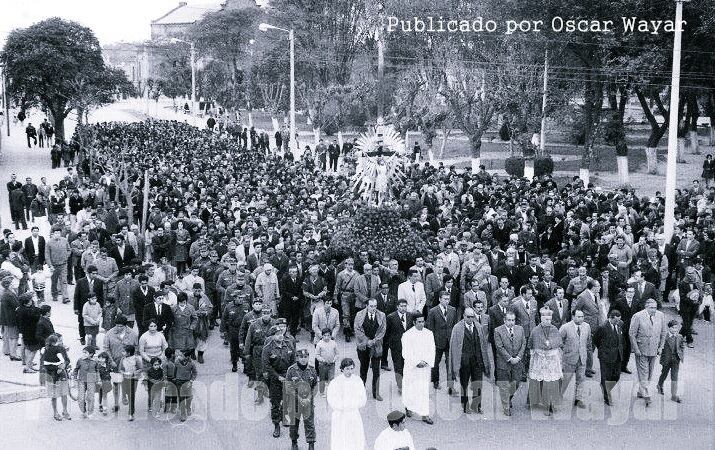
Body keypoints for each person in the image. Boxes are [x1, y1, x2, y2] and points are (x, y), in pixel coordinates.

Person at [449, 307, 492, 415]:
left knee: (478, 384)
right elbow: (454, 347)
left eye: (472, 316)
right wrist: (455, 364)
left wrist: (484, 360)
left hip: (477, 361)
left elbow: (483, 344)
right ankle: (465, 406)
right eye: (468, 317)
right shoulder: (457, 328)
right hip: (464, 362)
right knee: (464, 385)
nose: (470, 319)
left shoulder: (478, 326)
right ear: (463, 316)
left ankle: (476, 406)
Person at [629, 299, 667, 406]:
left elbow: (663, 332)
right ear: (646, 307)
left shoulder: (660, 315)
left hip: (654, 349)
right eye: (651, 308)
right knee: (643, 373)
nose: (654, 310)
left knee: (649, 373)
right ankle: (647, 395)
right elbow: (632, 333)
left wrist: (661, 347)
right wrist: (635, 349)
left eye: (655, 307)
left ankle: (641, 391)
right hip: (641, 349)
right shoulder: (638, 316)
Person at [262, 320, 295, 437]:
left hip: (287, 376)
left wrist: (290, 375)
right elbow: (266, 365)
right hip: (274, 378)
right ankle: (276, 425)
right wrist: (277, 377)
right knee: (275, 402)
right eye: (277, 334)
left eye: (281, 333)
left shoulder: (289, 344)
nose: (280, 336)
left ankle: (285, 417)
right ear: (272, 336)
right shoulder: (267, 348)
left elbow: (293, 361)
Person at [527, 308, 563, 416]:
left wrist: (550, 345)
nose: (548, 322)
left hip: (552, 360)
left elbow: (559, 342)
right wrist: (540, 349)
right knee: (539, 381)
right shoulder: (536, 330)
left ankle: (551, 403)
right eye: (546, 319)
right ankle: (538, 402)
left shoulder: (554, 329)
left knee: (552, 382)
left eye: (550, 319)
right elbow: (532, 344)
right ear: (542, 319)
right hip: (539, 359)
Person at [401, 315, 436, 424]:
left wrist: (426, 361)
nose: (422, 324)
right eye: (419, 322)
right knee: (411, 389)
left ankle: (425, 414)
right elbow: (406, 352)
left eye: (423, 321)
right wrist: (416, 362)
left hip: (424, 368)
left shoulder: (429, 334)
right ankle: (409, 407)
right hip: (412, 368)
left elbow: (432, 349)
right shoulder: (407, 335)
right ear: (414, 322)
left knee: (423, 390)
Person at [326, 358, 367, 450]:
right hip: (340, 414)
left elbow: (363, 398)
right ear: (342, 369)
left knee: (355, 437)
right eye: (347, 369)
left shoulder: (358, 380)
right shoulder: (336, 382)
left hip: (353, 413)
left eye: (352, 368)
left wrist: (353, 405)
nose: (350, 371)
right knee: (341, 438)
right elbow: (331, 398)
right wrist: (342, 407)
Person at [102, 315, 138, 412]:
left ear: (125, 326)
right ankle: (116, 404)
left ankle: (125, 395)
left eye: (121, 326)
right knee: (116, 384)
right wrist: (111, 361)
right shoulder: (109, 334)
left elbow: (136, 347)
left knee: (127, 383)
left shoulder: (133, 334)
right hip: (115, 363)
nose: (118, 328)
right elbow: (106, 348)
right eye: (117, 325)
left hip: (129, 365)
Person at [284, 348, 318, 450]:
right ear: (297, 358)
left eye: (305, 357)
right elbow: (288, 387)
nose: (303, 359)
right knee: (294, 423)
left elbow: (315, 385)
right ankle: (294, 442)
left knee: (310, 423)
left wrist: (309, 398)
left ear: (308, 358)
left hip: (308, 401)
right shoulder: (291, 370)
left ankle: (311, 443)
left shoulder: (312, 370)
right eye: (301, 357)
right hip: (294, 402)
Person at [354, 298, 387, 401]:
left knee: (376, 370)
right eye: (372, 306)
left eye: (375, 306)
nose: (374, 308)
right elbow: (357, 329)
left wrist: (374, 341)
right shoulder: (359, 315)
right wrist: (366, 341)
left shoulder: (382, 315)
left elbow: (383, 330)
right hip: (363, 346)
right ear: (367, 306)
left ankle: (376, 393)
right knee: (363, 369)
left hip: (376, 346)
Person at [493, 311, 525, 416]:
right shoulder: (498, 331)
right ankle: (506, 408)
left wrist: (519, 357)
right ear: (504, 320)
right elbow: (499, 347)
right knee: (503, 386)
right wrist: (510, 358)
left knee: (515, 383)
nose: (511, 322)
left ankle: (509, 398)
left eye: (513, 320)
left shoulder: (520, 329)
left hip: (517, 362)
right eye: (509, 320)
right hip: (504, 362)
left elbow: (523, 343)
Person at [426, 290, 458, 391]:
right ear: (440, 299)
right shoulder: (433, 311)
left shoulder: (453, 310)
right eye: (444, 299)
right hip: (437, 341)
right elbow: (430, 328)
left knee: (450, 363)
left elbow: (454, 325)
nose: (446, 301)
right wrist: (431, 342)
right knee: (435, 362)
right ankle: (435, 381)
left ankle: (450, 385)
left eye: (448, 299)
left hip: (450, 340)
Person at [559, 309, 591, 408]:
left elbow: (589, 342)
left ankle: (579, 399)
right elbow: (559, 341)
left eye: (582, 317)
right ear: (573, 317)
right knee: (565, 380)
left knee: (581, 379)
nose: (581, 319)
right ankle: (556, 398)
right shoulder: (565, 327)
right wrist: (565, 352)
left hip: (582, 358)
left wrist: (588, 356)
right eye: (578, 317)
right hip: (569, 359)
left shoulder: (587, 326)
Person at [594, 310, 625, 406]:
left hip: (618, 355)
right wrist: (604, 350)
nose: (618, 322)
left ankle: (605, 387)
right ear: (611, 318)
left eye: (619, 320)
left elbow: (621, 339)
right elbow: (596, 340)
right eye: (616, 321)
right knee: (606, 377)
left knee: (616, 376)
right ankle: (607, 397)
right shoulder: (602, 327)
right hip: (606, 356)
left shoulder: (620, 324)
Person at [245, 305, 275, 404]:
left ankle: (272, 394)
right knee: (259, 374)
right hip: (258, 351)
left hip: (272, 351)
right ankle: (260, 395)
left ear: (271, 313)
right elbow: (248, 339)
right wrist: (247, 353)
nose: (266, 315)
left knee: (272, 373)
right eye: (264, 313)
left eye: (268, 313)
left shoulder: (275, 324)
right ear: (262, 313)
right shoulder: (254, 325)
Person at [385, 299, 413, 392]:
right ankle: (400, 385)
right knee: (398, 365)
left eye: (405, 306)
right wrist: (390, 344)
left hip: (408, 346)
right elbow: (387, 332)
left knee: (407, 365)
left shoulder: (410, 315)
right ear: (397, 307)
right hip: (396, 346)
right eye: (401, 306)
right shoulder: (391, 317)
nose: (403, 308)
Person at [42, 333, 71, 421]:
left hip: (62, 373)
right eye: (60, 340)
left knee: (64, 393)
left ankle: (65, 411)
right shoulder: (45, 350)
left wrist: (63, 366)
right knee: (53, 395)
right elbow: (44, 363)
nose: (62, 342)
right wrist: (57, 367)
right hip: (51, 374)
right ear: (54, 342)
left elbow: (67, 360)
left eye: (62, 340)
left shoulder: (62, 349)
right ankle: (55, 412)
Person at [657, 319, 685, 403]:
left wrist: (681, 354)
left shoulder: (679, 336)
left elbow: (682, 346)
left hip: (676, 360)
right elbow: (660, 346)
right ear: (669, 328)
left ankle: (674, 395)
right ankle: (659, 385)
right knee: (664, 374)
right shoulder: (664, 337)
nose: (675, 330)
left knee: (674, 377)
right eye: (673, 328)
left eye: (676, 328)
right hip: (666, 359)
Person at [73, 345, 98, 418]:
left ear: (91, 354)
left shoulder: (95, 361)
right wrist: (75, 377)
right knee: (81, 397)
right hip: (81, 380)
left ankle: (90, 412)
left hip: (91, 381)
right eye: (83, 352)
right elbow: (76, 369)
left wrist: (98, 379)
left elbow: (97, 370)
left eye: (85, 352)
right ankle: (83, 411)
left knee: (91, 397)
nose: (83, 354)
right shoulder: (80, 360)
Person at [119, 344, 143, 421]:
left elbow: (140, 368)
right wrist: (123, 372)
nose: (122, 352)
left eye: (124, 351)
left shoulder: (136, 359)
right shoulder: (122, 359)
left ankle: (131, 413)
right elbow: (120, 369)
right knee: (126, 392)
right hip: (124, 379)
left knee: (131, 395)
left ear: (129, 353)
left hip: (133, 379)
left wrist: (134, 373)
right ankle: (124, 398)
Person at [1, 277, 21, 361]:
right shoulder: (10, 294)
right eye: (11, 283)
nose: (13, 284)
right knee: (13, 336)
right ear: (8, 285)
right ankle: (13, 354)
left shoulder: (4, 293)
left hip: (5, 317)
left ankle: (6, 350)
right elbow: (17, 305)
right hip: (11, 318)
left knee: (6, 334)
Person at [175, 348, 198, 421]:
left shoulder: (191, 363)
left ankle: (188, 407)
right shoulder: (177, 362)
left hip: (188, 382)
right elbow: (174, 370)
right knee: (181, 398)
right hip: (179, 382)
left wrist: (191, 381)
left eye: (181, 355)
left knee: (189, 397)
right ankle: (183, 414)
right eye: (179, 355)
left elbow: (195, 373)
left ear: (187, 357)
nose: (179, 356)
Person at [315, 328, 338, 395]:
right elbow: (317, 355)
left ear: (331, 336)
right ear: (322, 336)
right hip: (322, 365)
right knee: (322, 378)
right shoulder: (319, 344)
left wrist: (335, 359)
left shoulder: (333, 343)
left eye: (328, 335)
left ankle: (330, 391)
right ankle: (322, 392)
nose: (326, 337)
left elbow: (337, 353)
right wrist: (322, 360)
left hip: (331, 364)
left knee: (331, 378)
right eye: (325, 335)